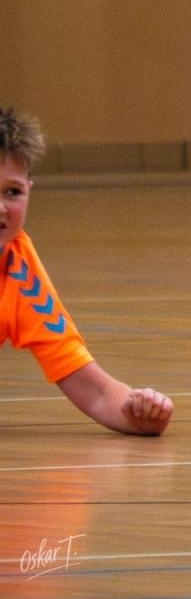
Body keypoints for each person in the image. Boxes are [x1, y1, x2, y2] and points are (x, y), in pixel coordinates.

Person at [0, 108, 173, 436]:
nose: (0, 208)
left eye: (12, 192)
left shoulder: (20, 275)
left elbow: (95, 391)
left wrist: (135, 411)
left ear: (29, 191)